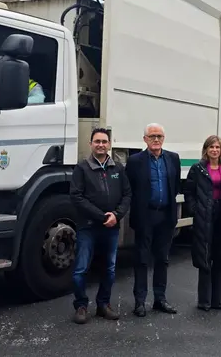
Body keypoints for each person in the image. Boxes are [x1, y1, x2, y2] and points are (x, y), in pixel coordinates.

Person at [69, 127, 131, 324]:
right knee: (81, 269)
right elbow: (76, 197)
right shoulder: (82, 168)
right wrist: (101, 216)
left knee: (109, 269)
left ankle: (103, 304)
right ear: (90, 144)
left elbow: (127, 194)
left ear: (109, 144)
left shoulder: (118, 168)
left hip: (111, 227)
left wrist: (116, 215)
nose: (101, 145)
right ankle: (81, 305)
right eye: (97, 141)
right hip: (88, 226)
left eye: (104, 141)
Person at [125, 123, 182, 317]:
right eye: (152, 136)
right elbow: (129, 189)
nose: (156, 139)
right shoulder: (134, 161)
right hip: (145, 216)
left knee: (162, 259)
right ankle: (140, 302)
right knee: (141, 259)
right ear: (145, 140)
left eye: (159, 136)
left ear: (163, 138)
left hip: (165, 215)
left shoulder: (173, 159)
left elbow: (175, 187)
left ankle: (160, 299)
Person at [183, 135, 221, 311]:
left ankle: (219, 301)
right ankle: (204, 301)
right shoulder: (197, 169)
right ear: (206, 150)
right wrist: (195, 209)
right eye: (211, 147)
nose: (214, 150)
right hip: (205, 217)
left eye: (217, 147)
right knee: (205, 258)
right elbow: (189, 192)